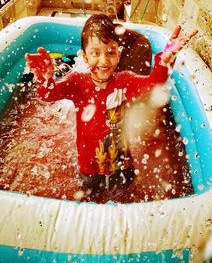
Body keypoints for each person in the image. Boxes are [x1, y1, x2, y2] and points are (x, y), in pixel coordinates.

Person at [25, 13, 197, 197]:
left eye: (110, 52)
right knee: (89, 201)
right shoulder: (77, 82)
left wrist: (164, 60)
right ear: (84, 56)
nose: (104, 61)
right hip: (89, 168)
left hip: (122, 164)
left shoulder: (125, 81)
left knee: (127, 196)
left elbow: (155, 83)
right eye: (95, 53)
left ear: (119, 53)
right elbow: (48, 94)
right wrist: (44, 78)